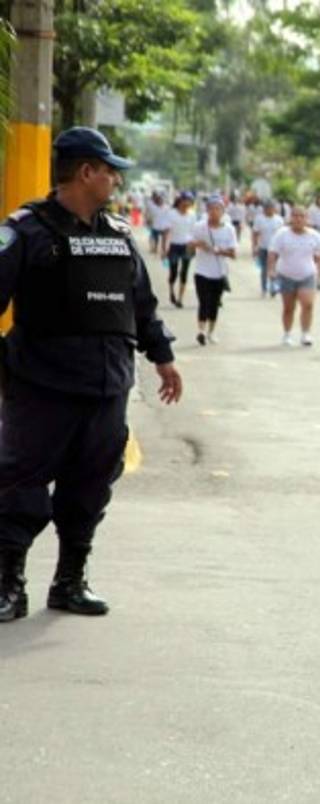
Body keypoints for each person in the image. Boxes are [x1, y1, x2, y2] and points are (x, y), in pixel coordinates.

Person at [0, 127, 183, 623]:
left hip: (106, 387)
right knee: (20, 486)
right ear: (86, 172)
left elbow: (140, 306)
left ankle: (70, 580)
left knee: (91, 486)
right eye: (109, 172)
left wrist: (162, 356)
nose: (115, 182)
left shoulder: (119, 235)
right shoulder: (25, 231)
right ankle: (8, 584)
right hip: (42, 387)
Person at [267, 206, 320, 347]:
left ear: (306, 219)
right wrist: (271, 269)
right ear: (290, 218)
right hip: (286, 275)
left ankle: (305, 333)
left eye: (301, 216)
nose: (298, 219)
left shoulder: (314, 235)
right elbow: (272, 253)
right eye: (295, 216)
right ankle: (287, 333)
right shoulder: (282, 234)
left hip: (307, 275)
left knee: (308, 305)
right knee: (288, 307)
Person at [190, 195, 237, 346]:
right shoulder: (199, 226)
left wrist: (218, 250)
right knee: (203, 301)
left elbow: (233, 253)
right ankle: (201, 331)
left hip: (219, 272)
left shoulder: (229, 229)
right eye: (211, 208)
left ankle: (211, 332)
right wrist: (199, 244)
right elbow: (189, 245)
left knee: (214, 303)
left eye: (218, 209)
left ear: (223, 211)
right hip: (201, 271)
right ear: (207, 210)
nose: (214, 212)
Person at [161, 193, 196, 308]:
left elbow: (194, 232)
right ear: (180, 201)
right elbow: (167, 232)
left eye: (189, 202)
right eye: (185, 201)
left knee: (184, 272)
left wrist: (194, 246)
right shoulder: (172, 214)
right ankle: (171, 291)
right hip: (174, 246)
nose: (187, 204)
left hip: (187, 246)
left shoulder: (192, 215)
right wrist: (165, 248)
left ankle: (180, 299)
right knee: (174, 272)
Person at [251, 200, 285, 298]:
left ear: (274, 209)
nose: (269, 210)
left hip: (276, 249)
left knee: (275, 269)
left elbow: (282, 235)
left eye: (271, 208)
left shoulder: (279, 220)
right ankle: (264, 288)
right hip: (263, 247)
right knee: (265, 269)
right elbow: (255, 234)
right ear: (264, 209)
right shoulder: (259, 219)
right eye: (267, 208)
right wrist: (254, 247)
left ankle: (273, 287)